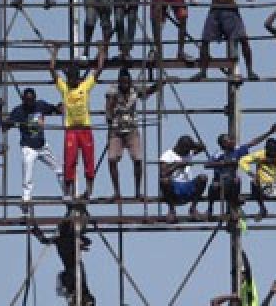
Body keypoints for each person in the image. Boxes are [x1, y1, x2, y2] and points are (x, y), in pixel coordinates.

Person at [189, 0, 260, 82]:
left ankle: (250, 71)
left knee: (243, 39)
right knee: (204, 41)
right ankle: (203, 72)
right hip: (215, 11)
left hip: (230, 11)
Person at [48, 43, 107, 199]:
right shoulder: (65, 88)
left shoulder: (84, 86)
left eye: (74, 77)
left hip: (85, 129)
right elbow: (52, 70)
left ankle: (89, 191)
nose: (72, 80)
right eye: (70, 78)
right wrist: (54, 52)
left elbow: (99, 69)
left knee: (89, 161)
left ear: (78, 78)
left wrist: (101, 52)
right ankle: (68, 192)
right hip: (71, 131)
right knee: (69, 162)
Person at [104, 69, 165, 200]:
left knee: (138, 160)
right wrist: (110, 114)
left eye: (127, 82)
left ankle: (138, 192)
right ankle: (117, 193)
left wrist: (159, 84)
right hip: (116, 130)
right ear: (119, 81)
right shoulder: (112, 91)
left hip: (131, 129)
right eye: (123, 82)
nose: (125, 85)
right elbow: (108, 109)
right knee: (112, 160)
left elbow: (147, 92)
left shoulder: (134, 90)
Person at [0, 89, 64, 210]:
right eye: (27, 100)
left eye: (31, 100)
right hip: (28, 148)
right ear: (23, 100)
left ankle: (67, 194)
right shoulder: (18, 111)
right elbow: (5, 127)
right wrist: (0, 112)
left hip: (42, 146)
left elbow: (55, 109)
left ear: (35, 99)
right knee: (27, 175)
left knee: (60, 169)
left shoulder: (41, 105)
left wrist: (62, 106)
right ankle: (26, 200)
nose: (29, 103)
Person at [204, 122, 276, 220]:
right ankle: (210, 210)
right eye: (229, 140)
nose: (232, 141)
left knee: (237, 179)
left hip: (231, 184)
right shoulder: (218, 154)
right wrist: (221, 163)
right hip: (219, 184)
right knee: (214, 185)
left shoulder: (237, 151)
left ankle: (233, 207)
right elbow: (206, 165)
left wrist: (269, 132)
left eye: (231, 139)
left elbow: (253, 143)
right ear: (223, 144)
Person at [30, 206, 92, 304]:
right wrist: (36, 231)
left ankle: (79, 299)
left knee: (80, 287)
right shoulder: (63, 238)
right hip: (72, 268)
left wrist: (36, 231)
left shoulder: (68, 238)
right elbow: (44, 241)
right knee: (79, 286)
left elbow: (44, 240)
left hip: (74, 268)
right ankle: (77, 298)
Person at [159, 136, 209, 223]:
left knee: (203, 178)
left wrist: (194, 144)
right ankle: (172, 211)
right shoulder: (167, 155)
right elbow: (163, 173)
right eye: (187, 149)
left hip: (188, 185)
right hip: (174, 186)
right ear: (181, 147)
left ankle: (193, 209)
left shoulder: (188, 153)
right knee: (164, 181)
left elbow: (202, 147)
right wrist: (176, 166)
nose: (188, 151)